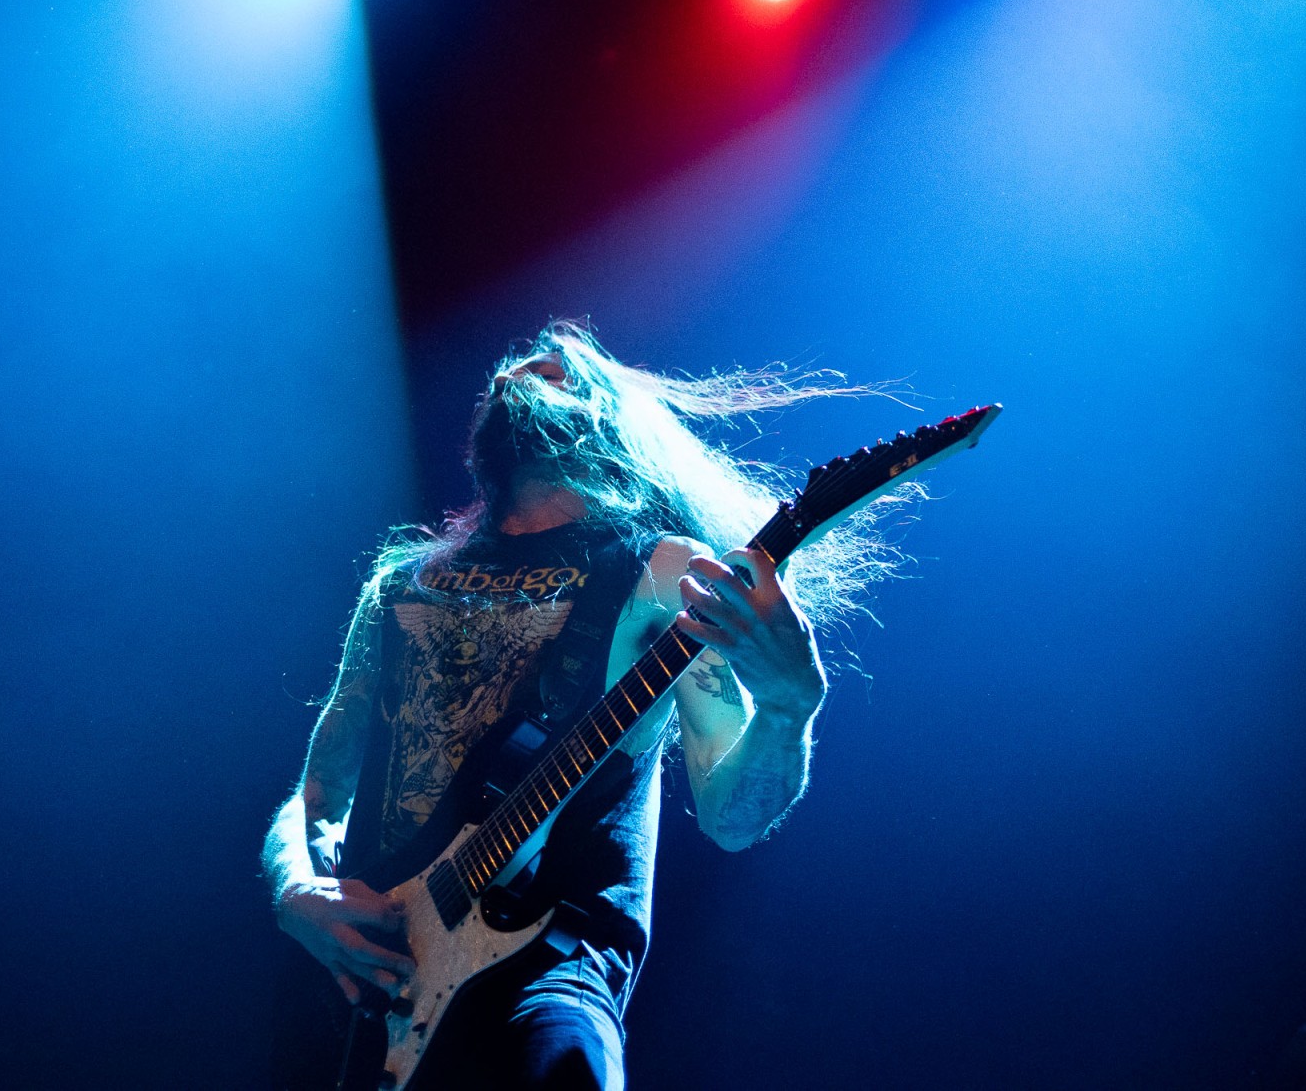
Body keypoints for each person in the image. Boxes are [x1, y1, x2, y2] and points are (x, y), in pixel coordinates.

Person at [262, 322, 897, 1090]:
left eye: (557, 369)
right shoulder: (402, 583)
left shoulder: (663, 574)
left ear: (605, 416)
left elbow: (733, 819)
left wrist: (790, 705)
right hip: (389, 991)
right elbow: (320, 790)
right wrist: (294, 887)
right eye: (512, 369)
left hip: (548, 972)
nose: (521, 370)